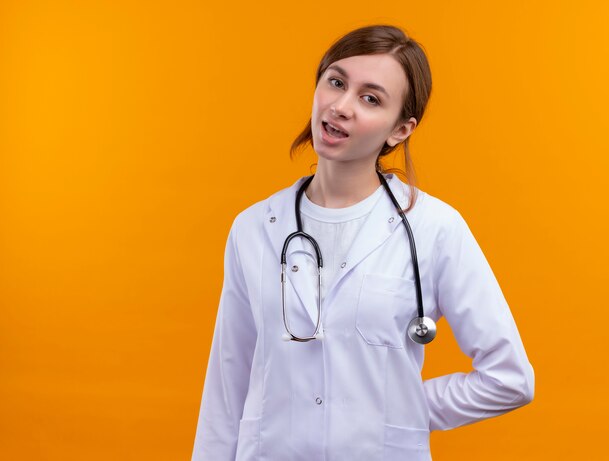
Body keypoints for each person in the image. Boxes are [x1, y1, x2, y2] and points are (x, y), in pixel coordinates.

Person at [192, 24, 534, 461]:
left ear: (401, 129)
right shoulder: (254, 227)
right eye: (336, 82)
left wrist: (400, 408)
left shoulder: (434, 229)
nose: (340, 106)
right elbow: (227, 387)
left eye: (370, 98)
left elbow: (510, 379)